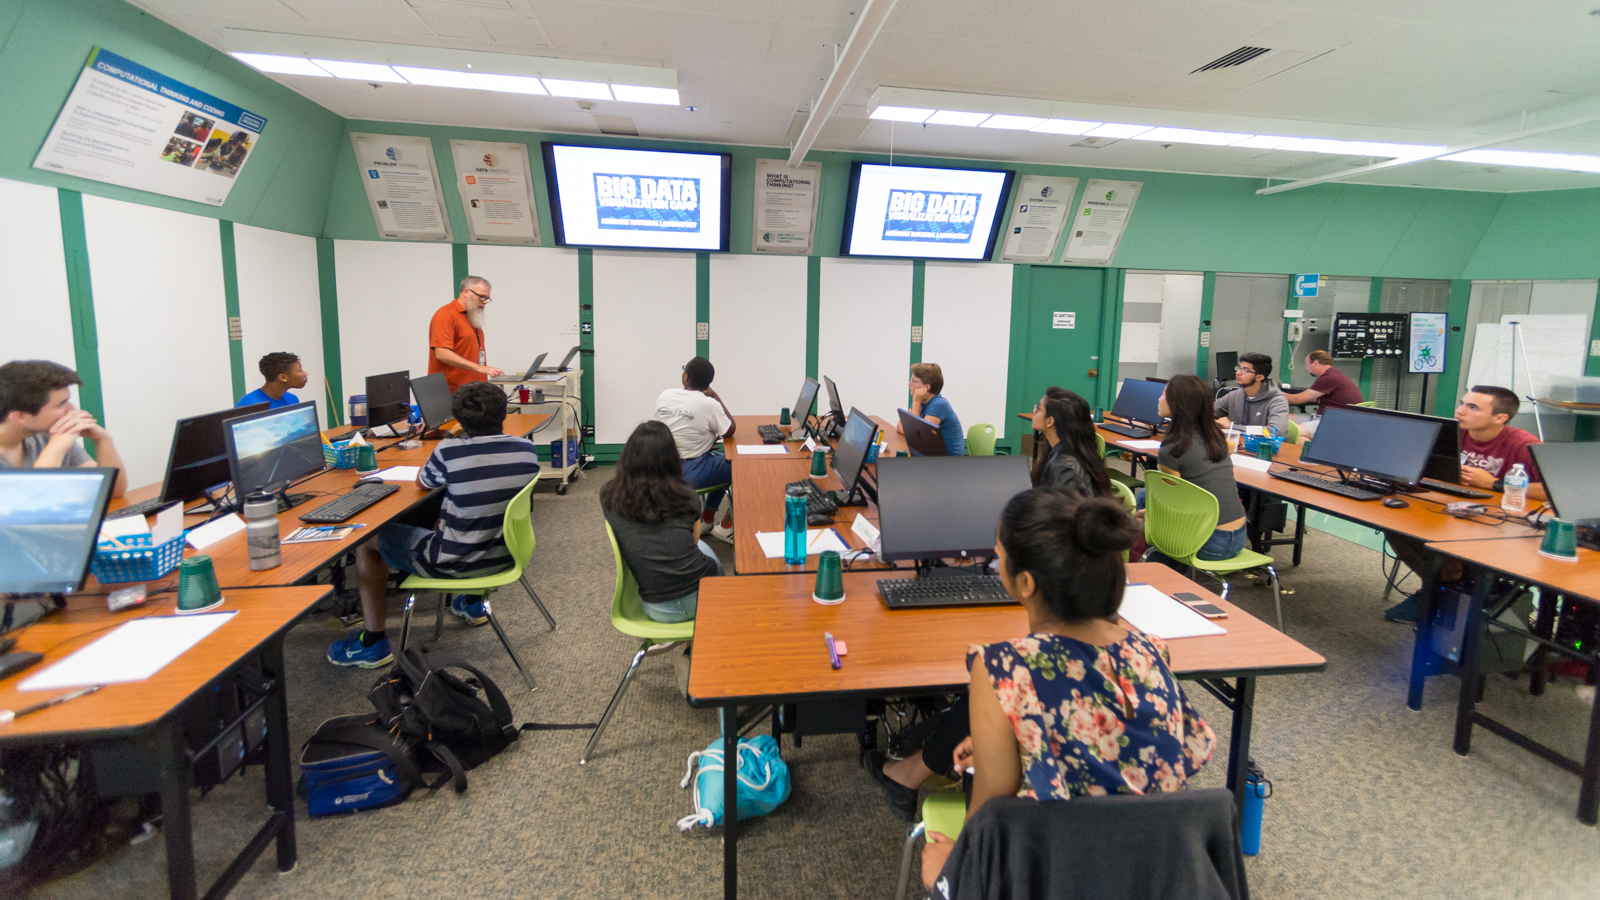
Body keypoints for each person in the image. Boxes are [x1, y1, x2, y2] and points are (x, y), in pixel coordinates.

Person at [918, 489, 1216, 887]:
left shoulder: (1002, 668)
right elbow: (1119, 743)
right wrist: (1011, 740)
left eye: (997, 556)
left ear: (1024, 582)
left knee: (933, 871)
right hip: (1158, 874)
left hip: (1059, 874)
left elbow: (990, 816)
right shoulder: (1152, 650)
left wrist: (950, 873)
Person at [327, 382, 540, 668]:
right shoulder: (526, 448)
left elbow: (423, 482)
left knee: (366, 537)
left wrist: (452, 436)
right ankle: (472, 602)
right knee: (453, 514)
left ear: (460, 420)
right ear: (503, 414)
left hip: (454, 562)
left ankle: (372, 641)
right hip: (506, 556)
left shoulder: (449, 451)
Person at [1382, 385, 1546, 623]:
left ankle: (1441, 593)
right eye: (1462, 403)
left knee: (1443, 538)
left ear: (1500, 417)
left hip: (1500, 521)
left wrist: (1495, 484)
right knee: (1395, 525)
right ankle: (1448, 589)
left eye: (1472, 407)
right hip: (1454, 509)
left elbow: (1551, 490)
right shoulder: (1454, 433)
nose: (1460, 411)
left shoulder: (1523, 444)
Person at [601, 420, 724, 625]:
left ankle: (687, 638)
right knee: (708, 552)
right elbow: (693, 541)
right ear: (672, 459)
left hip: (655, 607)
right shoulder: (687, 496)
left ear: (628, 457)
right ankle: (696, 638)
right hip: (702, 600)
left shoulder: (608, 494)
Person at [1148, 374, 1248, 563]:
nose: (1159, 399)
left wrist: (1146, 516)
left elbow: (1173, 506)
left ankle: (1162, 576)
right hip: (1239, 537)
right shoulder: (1216, 437)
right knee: (1146, 495)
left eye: (1162, 394)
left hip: (1211, 544)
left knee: (1149, 515)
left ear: (1177, 403)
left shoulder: (1173, 449)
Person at [0, 360, 128, 497]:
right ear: (19, 416)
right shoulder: (57, 441)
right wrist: (56, 448)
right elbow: (27, 506)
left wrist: (103, 439)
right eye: (61, 405)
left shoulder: (50, 435)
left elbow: (112, 492)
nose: (72, 410)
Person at [651, 357, 735, 541]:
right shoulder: (709, 404)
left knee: (720, 460)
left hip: (657, 467)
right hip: (686, 471)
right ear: (708, 383)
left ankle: (707, 520)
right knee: (736, 464)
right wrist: (715, 396)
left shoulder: (665, 395)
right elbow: (730, 430)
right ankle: (726, 526)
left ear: (685, 376)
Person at [1029, 387, 1111, 497]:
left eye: (1038, 408)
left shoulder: (1064, 467)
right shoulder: (1076, 449)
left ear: (1050, 421)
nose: (1034, 411)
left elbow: (1061, 512)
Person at [428, 275, 504, 392]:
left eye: (487, 298)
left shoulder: (472, 317)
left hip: (473, 389)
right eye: (481, 297)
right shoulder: (446, 314)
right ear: (466, 292)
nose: (485, 302)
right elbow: (442, 353)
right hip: (451, 391)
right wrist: (480, 368)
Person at [897, 362, 965, 456]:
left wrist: (916, 402)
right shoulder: (921, 401)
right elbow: (901, 426)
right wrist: (911, 433)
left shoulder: (940, 405)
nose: (909, 383)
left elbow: (918, 438)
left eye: (913, 381)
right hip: (932, 456)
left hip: (949, 463)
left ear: (927, 387)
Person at [1213, 352, 1289, 433]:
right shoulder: (1233, 396)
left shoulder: (1277, 401)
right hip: (1238, 443)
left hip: (1265, 445)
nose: (1238, 372)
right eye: (1239, 368)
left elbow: (1276, 431)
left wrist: (1232, 427)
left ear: (1259, 377)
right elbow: (1207, 411)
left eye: (1245, 370)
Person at [1283, 350, 1364, 416]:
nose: (1307, 368)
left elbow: (1297, 400)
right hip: (1343, 417)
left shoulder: (1329, 377)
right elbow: (1322, 399)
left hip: (1332, 420)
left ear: (1315, 363)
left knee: (1284, 422)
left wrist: (1277, 394)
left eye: (1307, 364)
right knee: (1287, 419)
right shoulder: (1336, 374)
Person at [237, 352, 308, 409]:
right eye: (300, 370)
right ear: (283, 377)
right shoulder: (249, 406)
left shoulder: (292, 399)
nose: (306, 373)